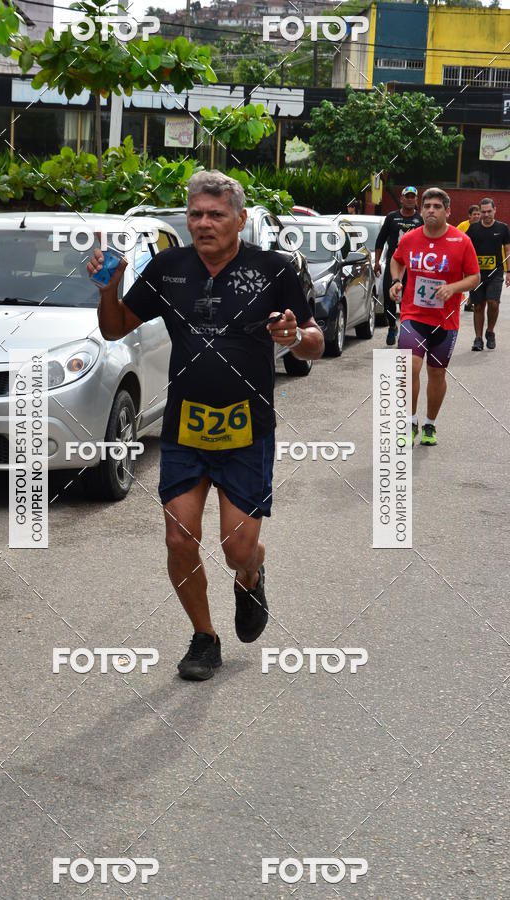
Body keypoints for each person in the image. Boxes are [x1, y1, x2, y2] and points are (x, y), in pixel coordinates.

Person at [88, 171, 324, 680]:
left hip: (247, 429)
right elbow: (114, 328)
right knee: (179, 539)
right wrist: (109, 288)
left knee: (236, 547)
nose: (203, 223)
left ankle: (251, 574)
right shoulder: (169, 269)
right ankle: (204, 637)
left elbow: (313, 340)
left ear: (240, 219)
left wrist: (293, 337)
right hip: (186, 429)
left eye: (216, 214)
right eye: (195, 213)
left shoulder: (273, 270)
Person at [389, 187, 479, 447]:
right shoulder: (410, 238)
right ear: (421, 209)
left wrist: (453, 288)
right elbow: (397, 260)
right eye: (427, 205)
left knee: (436, 374)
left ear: (448, 211)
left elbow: (475, 277)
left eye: (437, 206)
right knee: (409, 368)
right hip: (413, 315)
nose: (430, 210)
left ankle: (430, 423)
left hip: (445, 320)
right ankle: (410, 421)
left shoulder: (461, 242)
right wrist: (397, 280)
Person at [375, 186, 423, 346]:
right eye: (406, 196)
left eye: (412, 197)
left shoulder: (420, 219)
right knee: (389, 297)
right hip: (393, 263)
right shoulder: (391, 217)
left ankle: (405, 330)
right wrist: (376, 263)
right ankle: (392, 325)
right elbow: (380, 240)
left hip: (413, 265)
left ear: (416, 200)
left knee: (408, 299)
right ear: (401, 199)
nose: (410, 199)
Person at [466, 197, 510, 350]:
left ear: (495, 210)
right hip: (477, 274)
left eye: (489, 211)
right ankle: (478, 339)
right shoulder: (473, 229)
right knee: (478, 306)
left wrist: (509, 271)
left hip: (496, 273)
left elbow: (507, 250)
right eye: (483, 212)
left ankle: (490, 332)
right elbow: (465, 249)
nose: (486, 214)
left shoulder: (503, 228)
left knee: (493, 302)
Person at [457, 205, 481, 311]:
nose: (476, 216)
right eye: (474, 214)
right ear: (469, 216)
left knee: (475, 281)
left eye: (478, 214)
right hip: (461, 258)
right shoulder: (463, 225)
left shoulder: (482, 226)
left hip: (476, 259)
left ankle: (469, 303)